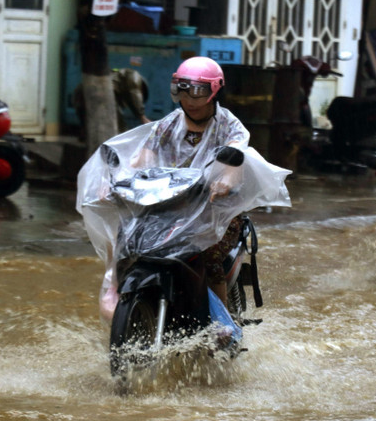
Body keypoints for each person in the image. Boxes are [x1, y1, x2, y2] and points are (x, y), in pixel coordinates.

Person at [77, 56, 291, 323]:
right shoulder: (168, 125)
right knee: (127, 236)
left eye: (198, 90)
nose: (189, 99)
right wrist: (118, 179)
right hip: (169, 206)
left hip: (215, 210)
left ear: (214, 90)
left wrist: (225, 180)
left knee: (209, 255)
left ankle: (220, 325)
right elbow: (143, 157)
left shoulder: (229, 125)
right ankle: (117, 288)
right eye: (182, 89)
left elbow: (236, 157)